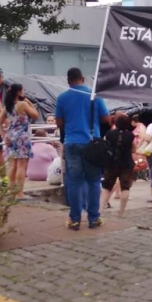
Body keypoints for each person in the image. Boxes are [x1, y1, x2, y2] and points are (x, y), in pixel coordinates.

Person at [55, 67, 110, 230]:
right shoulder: (95, 96)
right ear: (83, 78)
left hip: (72, 142)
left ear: (68, 81)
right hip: (91, 143)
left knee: (74, 182)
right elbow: (106, 118)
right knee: (93, 181)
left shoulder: (62, 98)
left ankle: (75, 219)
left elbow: (58, 123)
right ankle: (94, 218)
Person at [0, 83, 38, 199]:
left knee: (12, 165)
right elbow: (35, 115)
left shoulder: (7, 107)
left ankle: (11, 192)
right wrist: (29, 102)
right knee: (22, 165)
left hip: (11, 137)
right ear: (19, 92)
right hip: (23, 137)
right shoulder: (23, 104)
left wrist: (3, 135)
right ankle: (19, 193)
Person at [100, 113, 136, 215]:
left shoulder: (109, 133)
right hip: (127, 163)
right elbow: (134, 149)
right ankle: (121, 212)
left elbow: (104, 145)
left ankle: (99, 210)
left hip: (111, 163)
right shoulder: (130, 135)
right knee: (125, 187)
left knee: (106, 187)